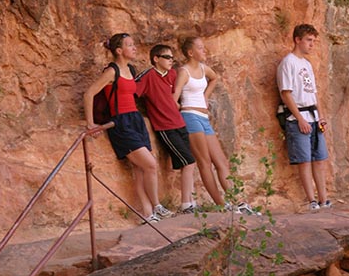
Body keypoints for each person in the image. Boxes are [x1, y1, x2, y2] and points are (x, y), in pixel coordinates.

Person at [83, 33, 172, 223]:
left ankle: (148, 215)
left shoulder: (131, 69)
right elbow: (89, 93)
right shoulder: (111, 71)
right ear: (119, 50)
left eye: (133, 44)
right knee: (150, 164)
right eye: (129, 45)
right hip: (121, 123)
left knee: (140, 169)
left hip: (135, 120)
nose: (134, 48)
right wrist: (90, 123)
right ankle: (157, 205)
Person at [173, 36, 258, 215]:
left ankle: (237, 202)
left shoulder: (204, 69)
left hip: (204, 118)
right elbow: (174, 96)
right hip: (190, 116)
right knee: (204, 162)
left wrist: (205, 96)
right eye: (201, 48)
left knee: (221, 161)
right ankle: (221, 205)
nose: (205, 51)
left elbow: (214, 78)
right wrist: (181, 107)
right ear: (190, 52)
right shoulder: (184, 71)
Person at [135, 44, 197, 214]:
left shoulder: (172, 74)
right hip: (165, 126)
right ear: (156, 58)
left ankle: (191, 200)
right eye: (167, 57)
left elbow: (173, 96)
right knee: (189, 161)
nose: (171, 61)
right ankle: (186, 204)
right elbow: (132, 92)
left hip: (179, 123)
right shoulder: (147, 76)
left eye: (172, 58)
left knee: (188, 163)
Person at [276, 23, 331, 212]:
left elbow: (314, 94)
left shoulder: (307, 65)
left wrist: (320, 117)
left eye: (314, 41)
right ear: (297, 40)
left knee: (319, 158)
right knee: (304, 160)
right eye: (309, 40)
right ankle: (311, 200)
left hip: (313, 116)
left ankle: (324, 199)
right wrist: (299, 118)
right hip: (298, 117)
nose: (311, 45)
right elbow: (286, 93)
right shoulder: (288, 63)